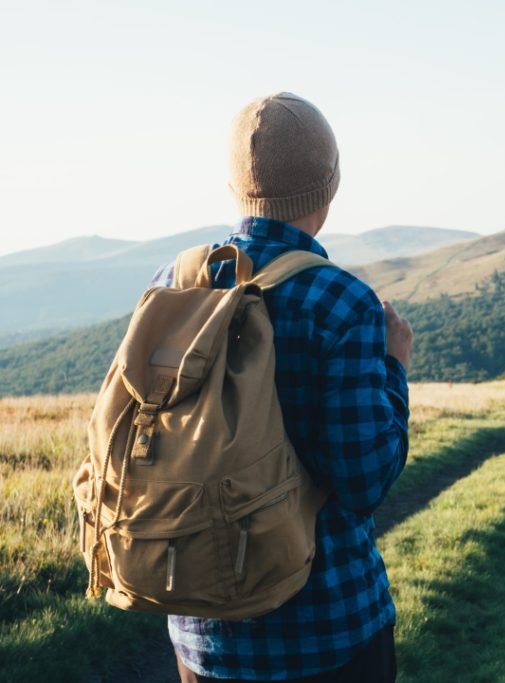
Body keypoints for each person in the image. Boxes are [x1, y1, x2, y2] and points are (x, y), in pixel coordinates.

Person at [150, 92, 412, 683]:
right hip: (328, 628)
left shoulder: (174, 283)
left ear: (235, 187)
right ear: (329, 186)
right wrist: (395, 366)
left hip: (201, 630)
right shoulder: (342, 300)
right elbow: (365, 479)